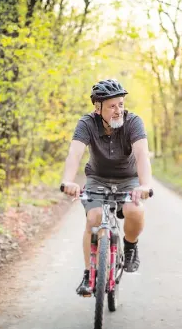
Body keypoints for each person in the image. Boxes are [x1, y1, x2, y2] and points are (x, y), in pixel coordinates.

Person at [60, 79, 153, 297]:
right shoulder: (86, 124)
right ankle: (88, 274)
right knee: (93, 218)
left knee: (135, 210)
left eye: (120, 104)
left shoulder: (133, 122)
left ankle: (130, 246)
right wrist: (68, 181)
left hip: (128, 179)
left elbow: (141, 155)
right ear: (97, 108)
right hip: (98, 179)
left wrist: (145, 185)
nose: (118, 110)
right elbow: (74, 153)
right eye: (112, 106)